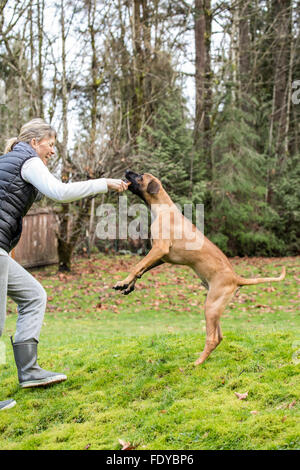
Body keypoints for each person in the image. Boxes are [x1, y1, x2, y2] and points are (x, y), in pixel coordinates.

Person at [0, 118, 129, 411]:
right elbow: (59, 192)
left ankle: (29, 371)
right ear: (34, 142)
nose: (53, 151)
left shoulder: (9, 161)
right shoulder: (28, 161)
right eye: (51, 144)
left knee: (34, 295)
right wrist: (104, 184)